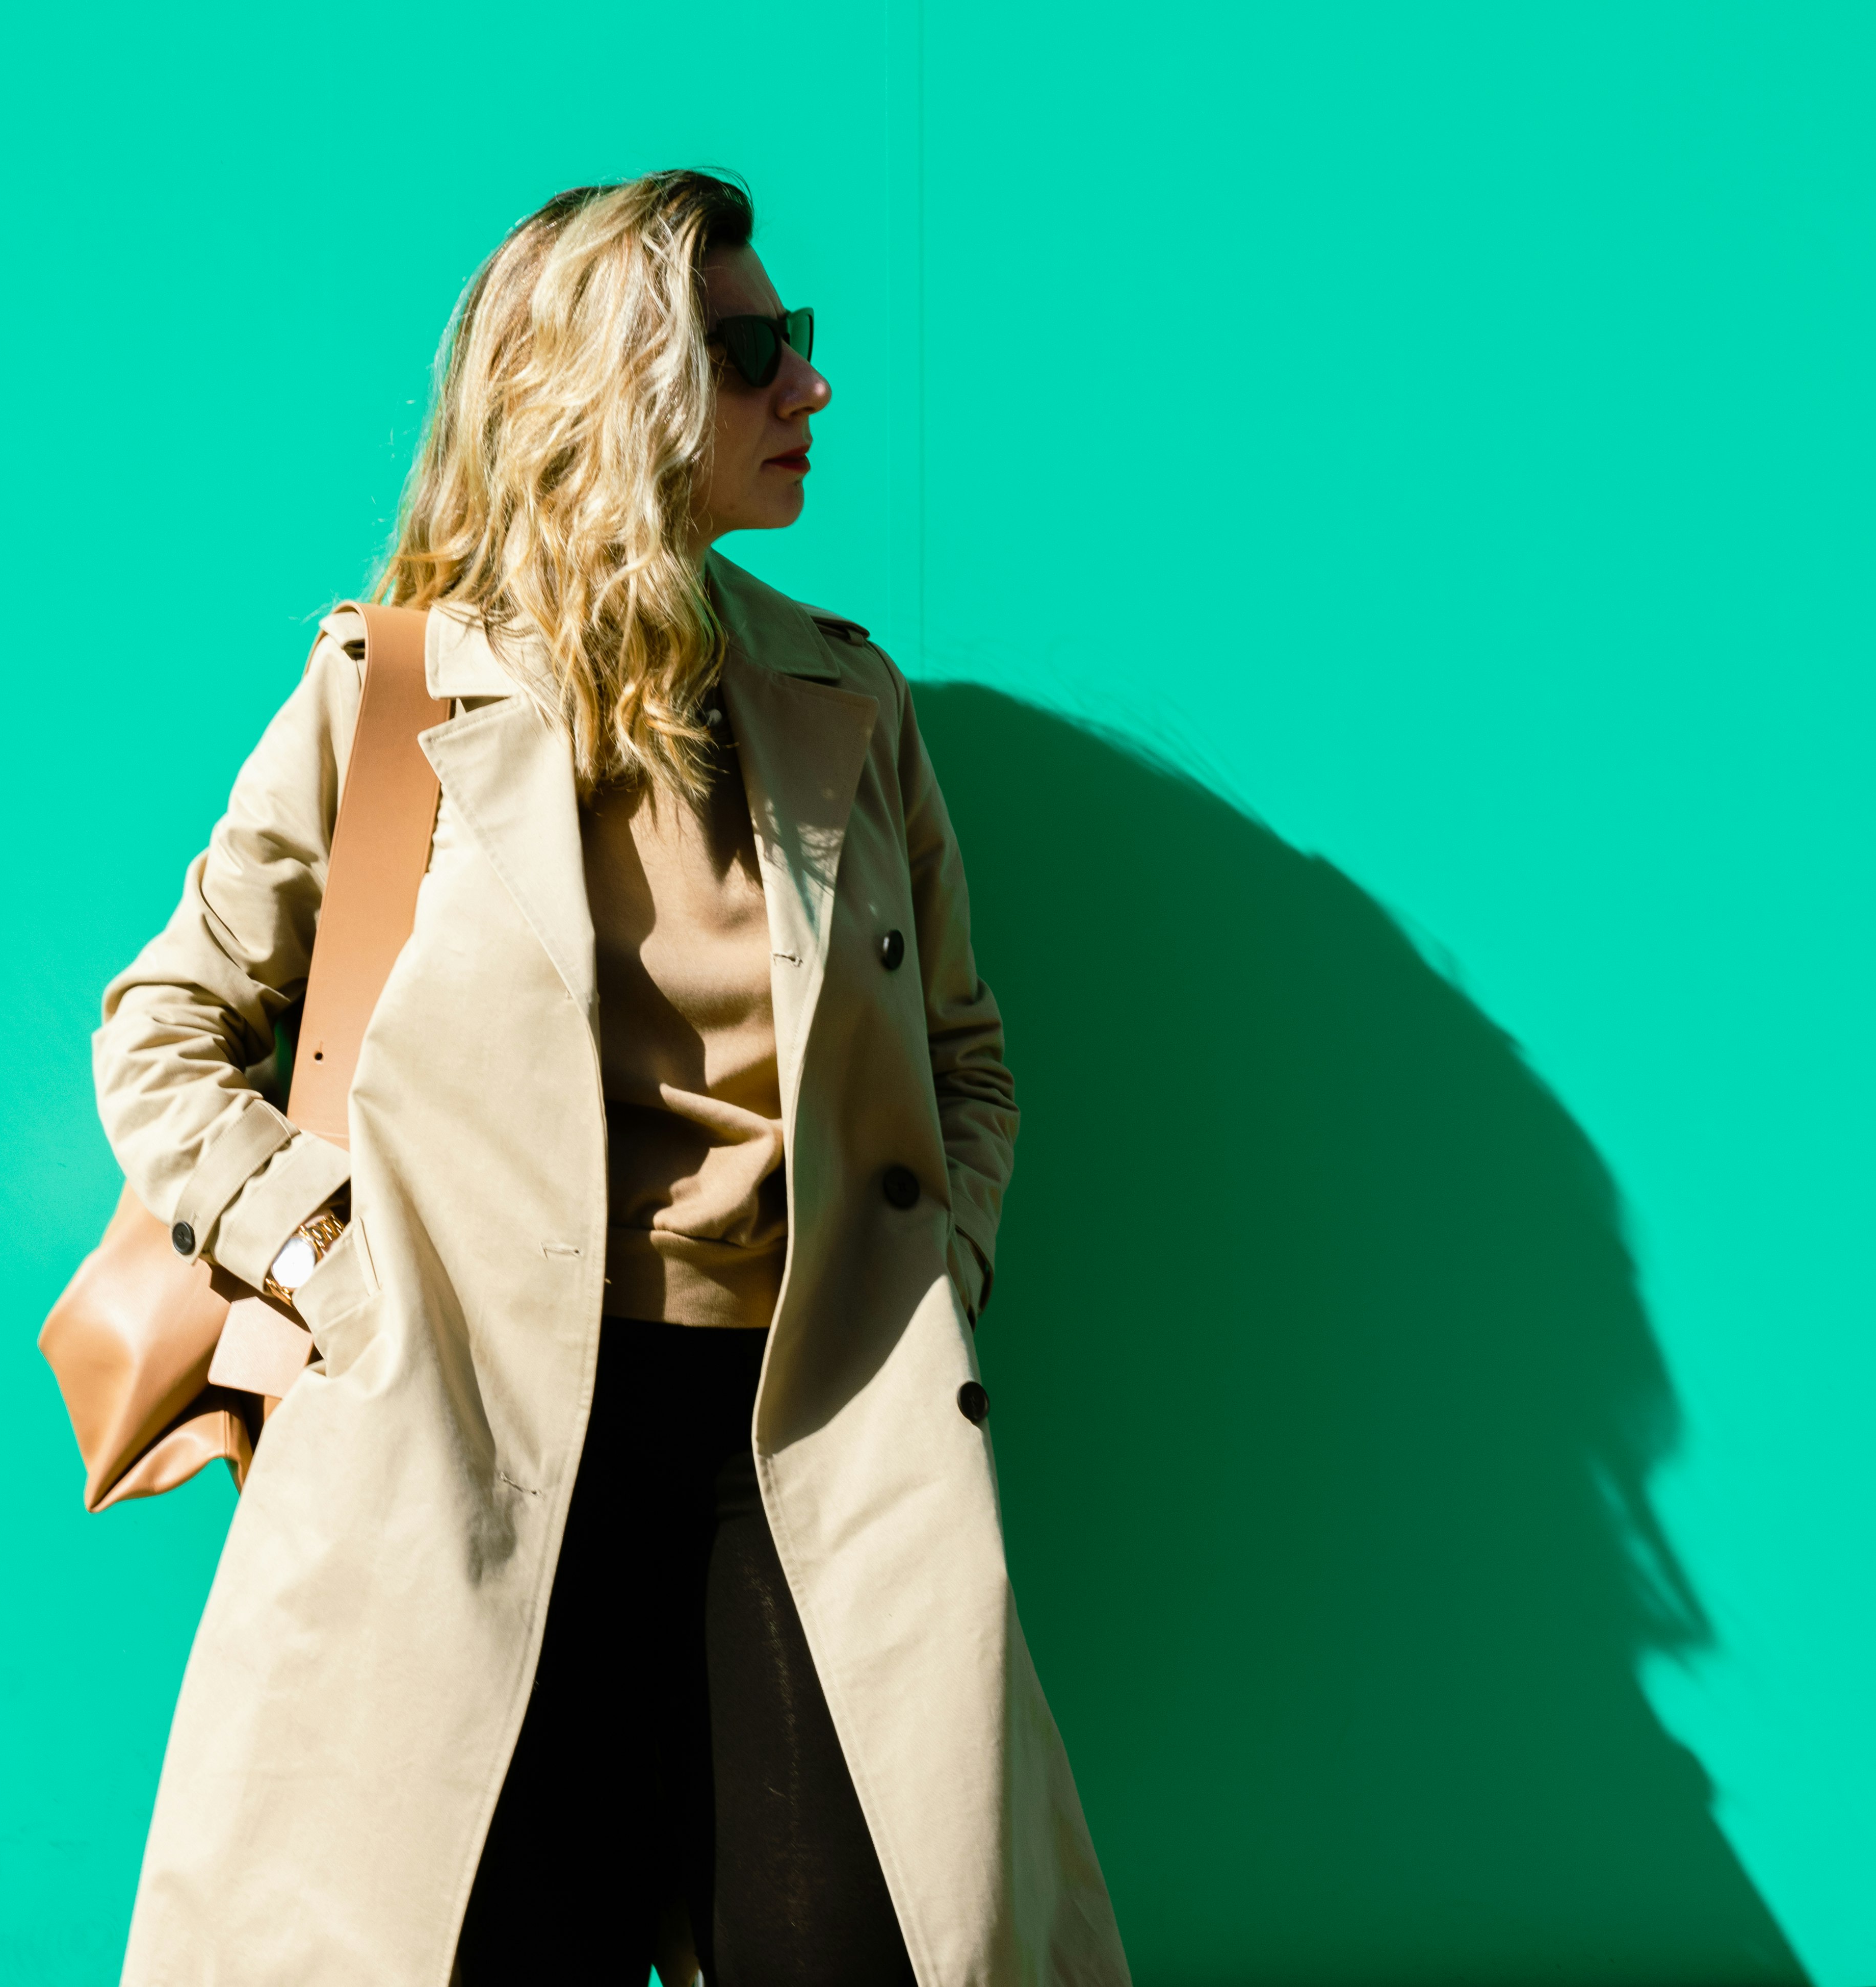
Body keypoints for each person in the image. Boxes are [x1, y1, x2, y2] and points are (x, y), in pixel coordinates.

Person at [95, 170, 1127, 1987]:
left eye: (794, 349)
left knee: (870, 1946)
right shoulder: (394, 696)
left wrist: (936, 1278)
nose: (807, 392)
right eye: (754, 355)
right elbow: (166, 1029)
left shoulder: (842, 702)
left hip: (804, 1437)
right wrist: (340, 1271)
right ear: (615, 384)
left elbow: (964, 1061)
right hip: (468, 1433)